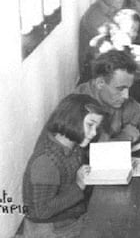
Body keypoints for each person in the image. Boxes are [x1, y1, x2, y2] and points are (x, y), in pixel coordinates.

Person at [22, 94, 105, 238]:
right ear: (71, 120)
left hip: (68, 219)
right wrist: (79, 186)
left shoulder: (74, 145)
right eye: (90, 125)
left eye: (96, 127)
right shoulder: (46, 161)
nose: (94, 133)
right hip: (49, 230)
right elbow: (40, 212)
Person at [75, 50, 140, 142]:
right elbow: (87, 152)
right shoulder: (77, 107)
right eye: (120, 89)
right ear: (100, 83)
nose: (126, 96)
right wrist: (123, 138)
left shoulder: (115, 99)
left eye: (128, 88)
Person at [79, 0, 125, 82]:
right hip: (95, 74)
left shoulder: (110, 8)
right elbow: (110, 51)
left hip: (108, 63)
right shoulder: (95, 17)